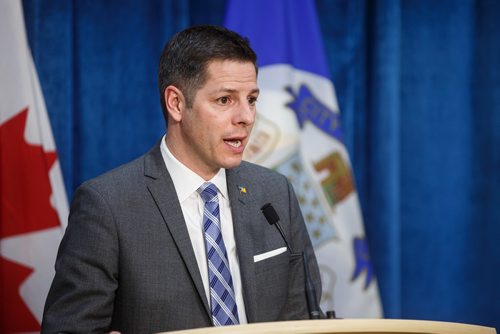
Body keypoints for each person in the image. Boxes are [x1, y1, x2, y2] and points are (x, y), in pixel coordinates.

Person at [42, 25, 321, 333]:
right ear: (176, 103)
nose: (247, 117)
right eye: (225, 100)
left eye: (252, 99)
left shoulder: (274, 194)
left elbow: (304, 320)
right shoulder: (108, 206)